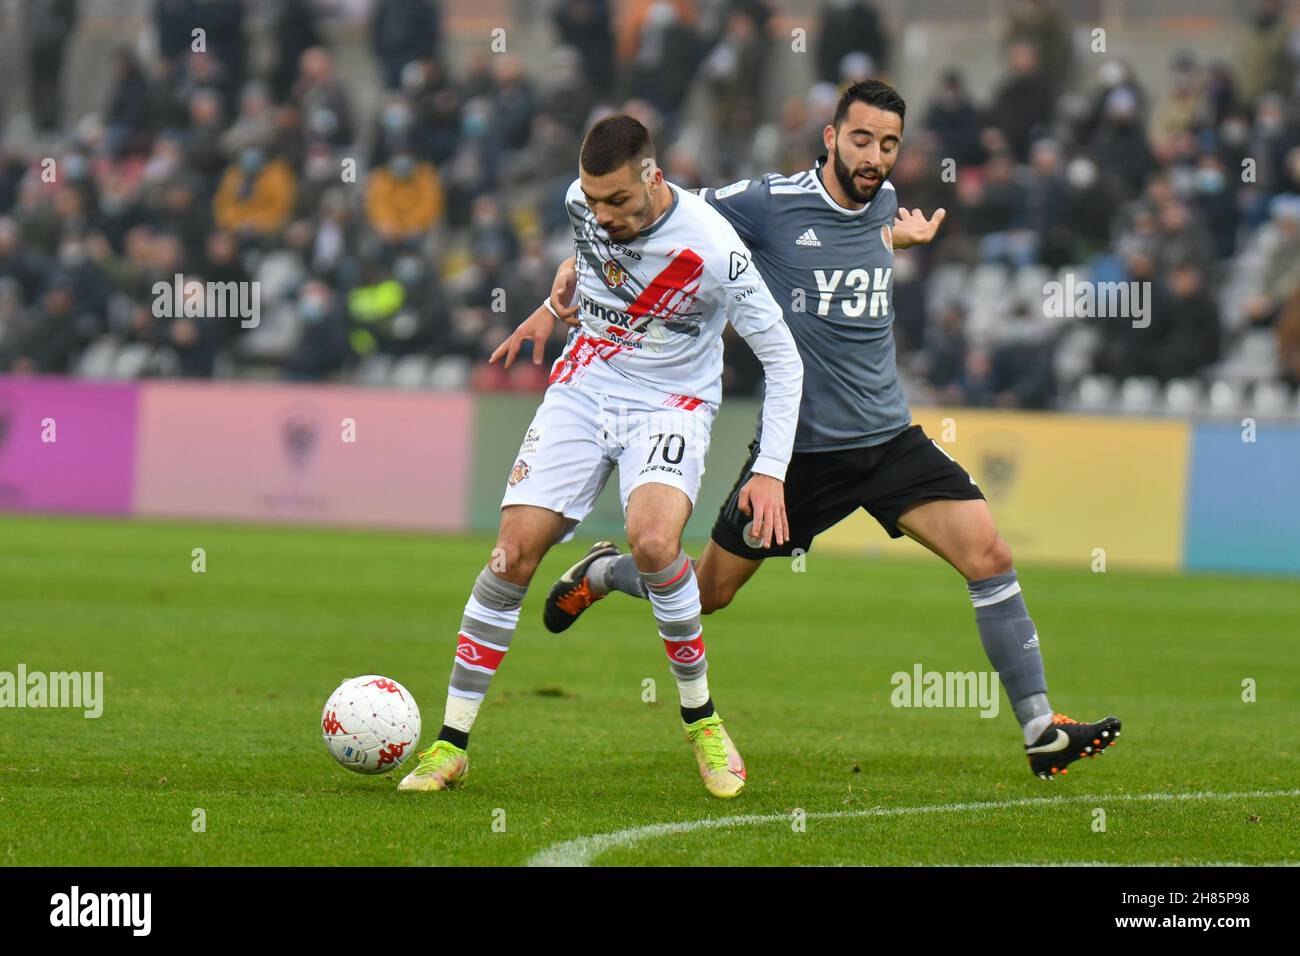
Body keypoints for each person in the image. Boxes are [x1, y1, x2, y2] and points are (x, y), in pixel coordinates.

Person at [535, 81, 1121, 781]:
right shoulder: (765, 204)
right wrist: (585, 264)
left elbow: (856, 243)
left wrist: (890, 235)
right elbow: (665, 219)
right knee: (707, 592)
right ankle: (603, 572)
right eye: (862, 139)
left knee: (990, 554)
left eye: (890, 143)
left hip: (890, 440)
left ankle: (1038, 729)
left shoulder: (877, 207)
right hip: (802, 457)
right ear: (831, 137)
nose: (876, 156)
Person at [398, 115, 804, 798]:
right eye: (593, 200)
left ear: (654, 177)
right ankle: (450, 745)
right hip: (586, 385)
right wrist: (550, 309)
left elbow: (785, 362)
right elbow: (595, 271)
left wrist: (769, 471)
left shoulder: (713, 250)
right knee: (511, 554)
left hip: (670, 403)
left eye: (617, 200)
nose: (602, 213)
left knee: (653, 543)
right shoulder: (580, 204)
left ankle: (702, 720)